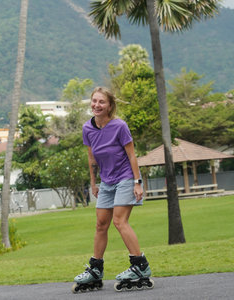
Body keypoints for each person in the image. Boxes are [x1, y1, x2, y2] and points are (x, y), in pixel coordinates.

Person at [72, 87, 152, 292]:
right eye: (94, 101)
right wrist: (93, 183)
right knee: (100, 224)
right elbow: (91, 158)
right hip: (106, 181)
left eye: (102, 102)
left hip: (126, 177)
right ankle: (96, 269)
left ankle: (140, 266)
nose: (97, 105)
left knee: (119, 220)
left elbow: (132, 155)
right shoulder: (87, 129)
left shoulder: (119, 126)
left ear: (109, 106)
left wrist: (137, 182)